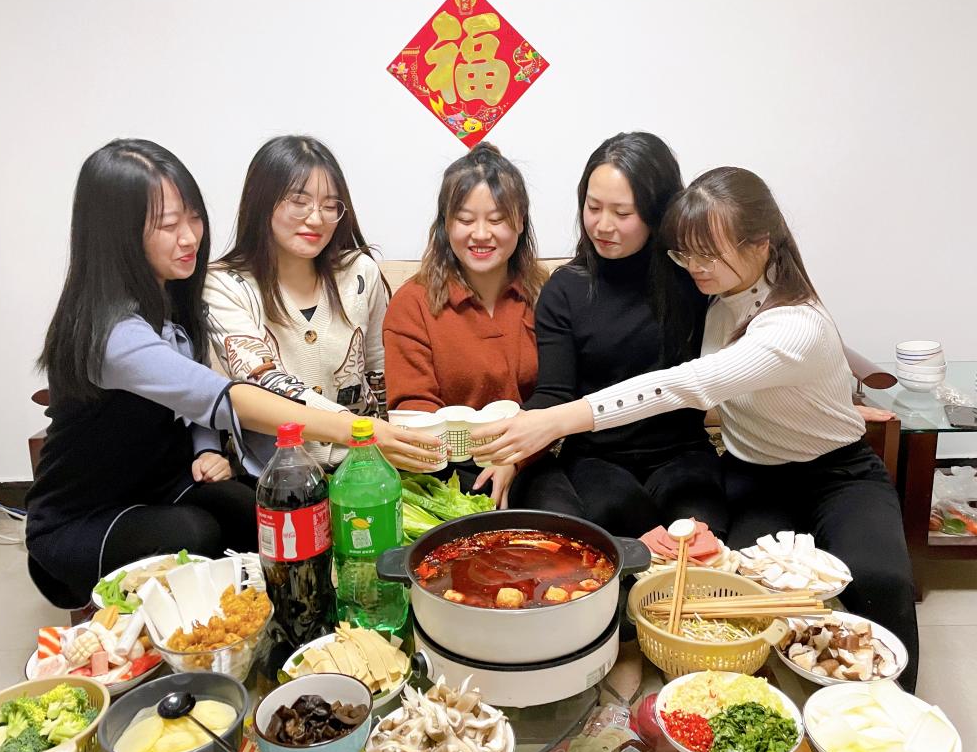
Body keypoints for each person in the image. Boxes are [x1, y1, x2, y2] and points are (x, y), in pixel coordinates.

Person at [473, 166, 919, 691]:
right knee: (736, 587)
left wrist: (553, 421)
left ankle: (898, 709)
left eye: (708, 254)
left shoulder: (794, 323)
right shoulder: (715, 290)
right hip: (754, 473)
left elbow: (683, 384)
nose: (694, 267)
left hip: (837, 472)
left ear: (761, 242)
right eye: (686, 252)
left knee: (881, 580)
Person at [27, 139, 441, 609]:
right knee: (196, 534)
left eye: (194, 218)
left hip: (167, 488)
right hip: (85, 517)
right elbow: (224, 395)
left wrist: (205, 446)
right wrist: (359, 431)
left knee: (261, 519)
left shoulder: (176, 295)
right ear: (115, 234)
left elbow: (191, 396)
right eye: (167, 225)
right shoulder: (113, 333)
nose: (189, 237)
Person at [508, 133, 725, 538]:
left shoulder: (695, 279)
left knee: (700, 532)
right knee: (615, 518)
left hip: (681, 454)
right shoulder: (566, 288)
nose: (603, 225)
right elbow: (554, 392)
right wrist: (512, 448)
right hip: (597, 458)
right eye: (593, 208)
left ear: (658, 212)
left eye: (622, 213)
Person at [205, 135, 389, 470]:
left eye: (329, 206)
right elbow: (264, 383)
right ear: (262, 202)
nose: (316, 219)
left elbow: (379, 371)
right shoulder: (224, 284)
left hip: (365, 465)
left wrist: (392, 448)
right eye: (299, 201)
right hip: (277, 475)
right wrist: (359, 429)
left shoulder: (360, 273)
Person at [383, 143, 547, 501]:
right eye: (466, 219)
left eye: (497, 219)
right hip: (445, 468)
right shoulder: (413, 303)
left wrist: (514, 458)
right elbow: (413, 410)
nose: (481, 234)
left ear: (520, 221)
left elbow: (555, 395)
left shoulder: (544, 293)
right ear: (446, 223)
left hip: (532, 458)